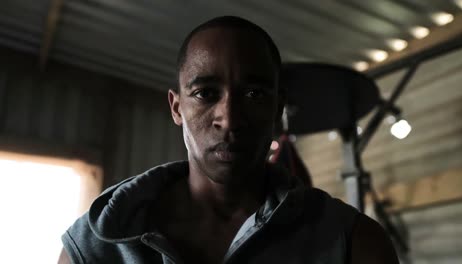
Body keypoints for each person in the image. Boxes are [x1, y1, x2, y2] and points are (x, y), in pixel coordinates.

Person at [58, 16, 399, 264]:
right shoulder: (95, 244)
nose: (230, 118)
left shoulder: (353, 243)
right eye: (205, 93)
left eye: (254, 94)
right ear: (177, 108)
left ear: (277, 108)